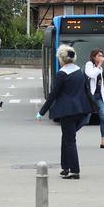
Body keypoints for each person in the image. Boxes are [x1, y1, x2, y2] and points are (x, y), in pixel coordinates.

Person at [37, 44, 93, 179]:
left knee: (69, 140)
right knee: (67, 138)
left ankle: (74, 171)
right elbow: (86, 91)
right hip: (80, 110)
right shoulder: (79, 71)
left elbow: (53, 94)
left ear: (61, 59)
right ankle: (65, 167)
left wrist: (42, 111)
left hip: (67, 112)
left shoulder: (62, 74)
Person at [84, 49, 104, 149]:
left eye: (102, 55)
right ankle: (71, 135)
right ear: (94, 57)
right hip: (90, 97)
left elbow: (100, 83)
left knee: (103, 117)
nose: (101, 57)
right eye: (99, 55)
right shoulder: (89, 64)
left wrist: (103, 92)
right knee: (85, 120)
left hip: (99, 96)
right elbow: (91, 75)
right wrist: (99, 65)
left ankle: (103, 142)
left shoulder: (100, 68)